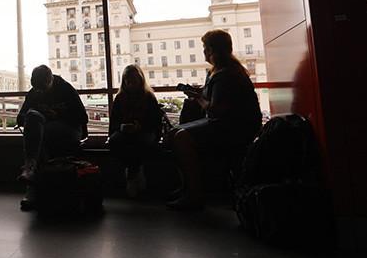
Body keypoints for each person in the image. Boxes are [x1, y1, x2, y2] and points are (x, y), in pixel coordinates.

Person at [167, 29, 262, 210]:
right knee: (175, 134)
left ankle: (194, 192)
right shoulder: (228, 71)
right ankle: (189, 187)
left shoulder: (224, 74)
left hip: (233, 128)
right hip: (237, 125)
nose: (203, 51)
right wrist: (198, 93)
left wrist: (197, 97)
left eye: (205, 47)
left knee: (179, 136)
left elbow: (216, 109)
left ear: (212, 50)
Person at [16, 65, 88, 210]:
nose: (40, 92)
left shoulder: (66, 89)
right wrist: (36, 115)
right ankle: (38, 179)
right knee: (34, 118)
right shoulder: (34, 92)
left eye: (43, 89)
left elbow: (82, 117)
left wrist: (57, 115)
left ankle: (31, 176)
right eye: (37, 89)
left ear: (50, 80)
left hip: (70, 128)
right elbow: (20, 118)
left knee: (39, 135)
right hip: (46, 130)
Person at [107, 64, 163, 198]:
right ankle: (136, 171)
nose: (130, 83)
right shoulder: (147, 97)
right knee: (136, 143)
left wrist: (128, 127)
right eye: (128, 80)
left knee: (122, 142)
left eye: (133, 80)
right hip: (141, 132)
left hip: (142, 132)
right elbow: (156, 122)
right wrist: (125, 127)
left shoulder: (123, 98)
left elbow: (155, 122)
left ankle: (131, 173)